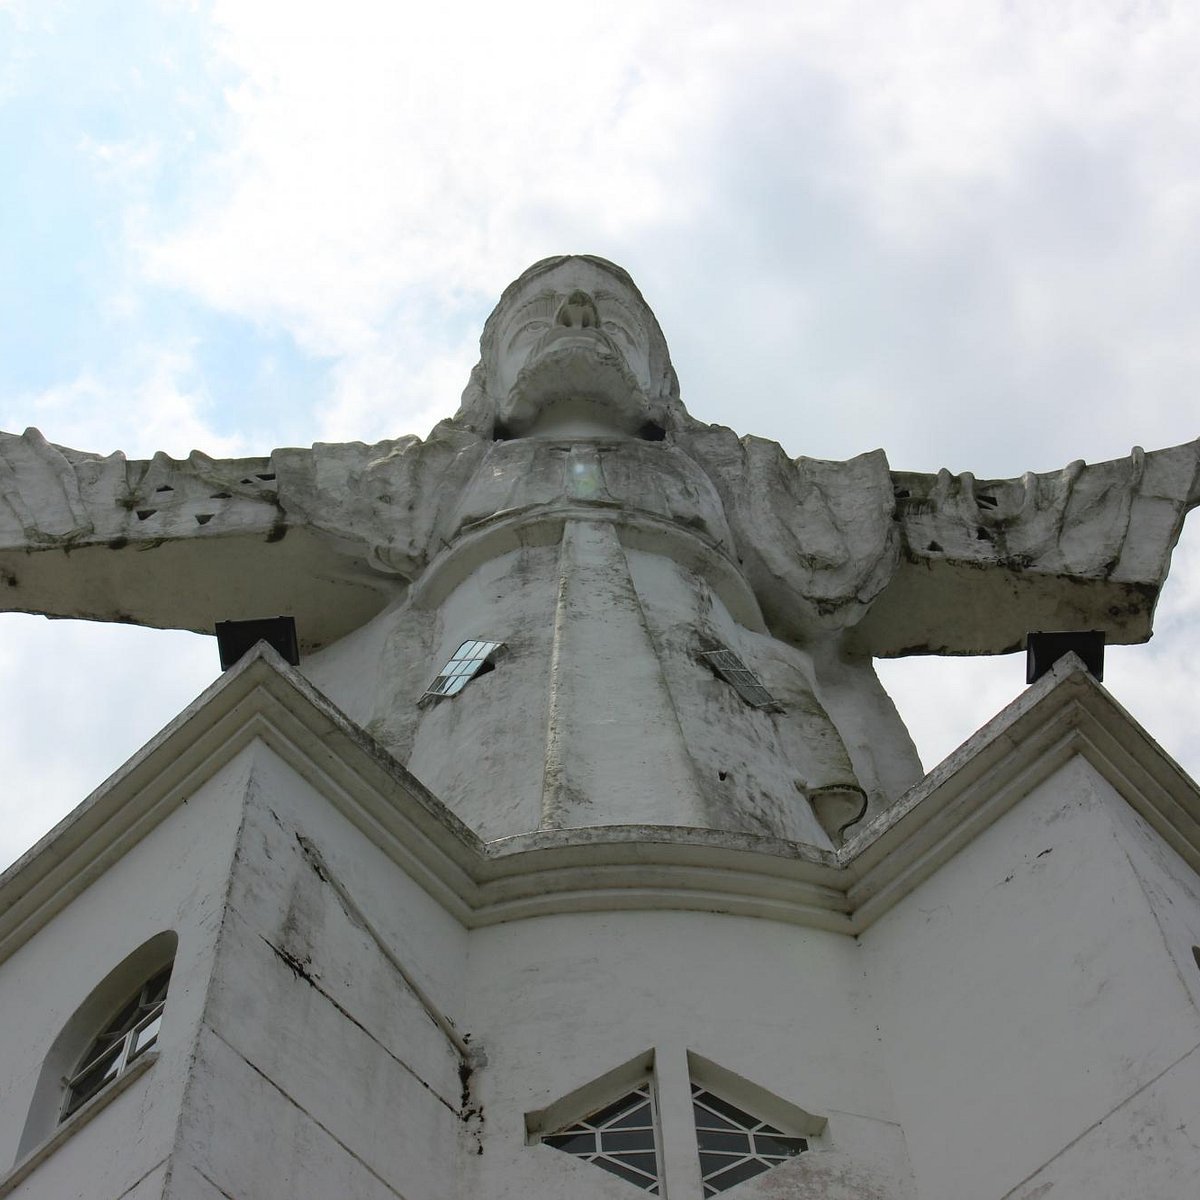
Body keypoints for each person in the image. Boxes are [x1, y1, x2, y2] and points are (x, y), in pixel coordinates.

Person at [2, 256, 1197, 846]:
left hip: (746, 715)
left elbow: (987, 529)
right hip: (467, 720)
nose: (577, 318)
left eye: (607, 309)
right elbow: (169, 509)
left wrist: (1138, 506)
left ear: (660, 377)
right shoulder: (409, 486)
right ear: (489, 381)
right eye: (545, 308)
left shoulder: (755, 488)